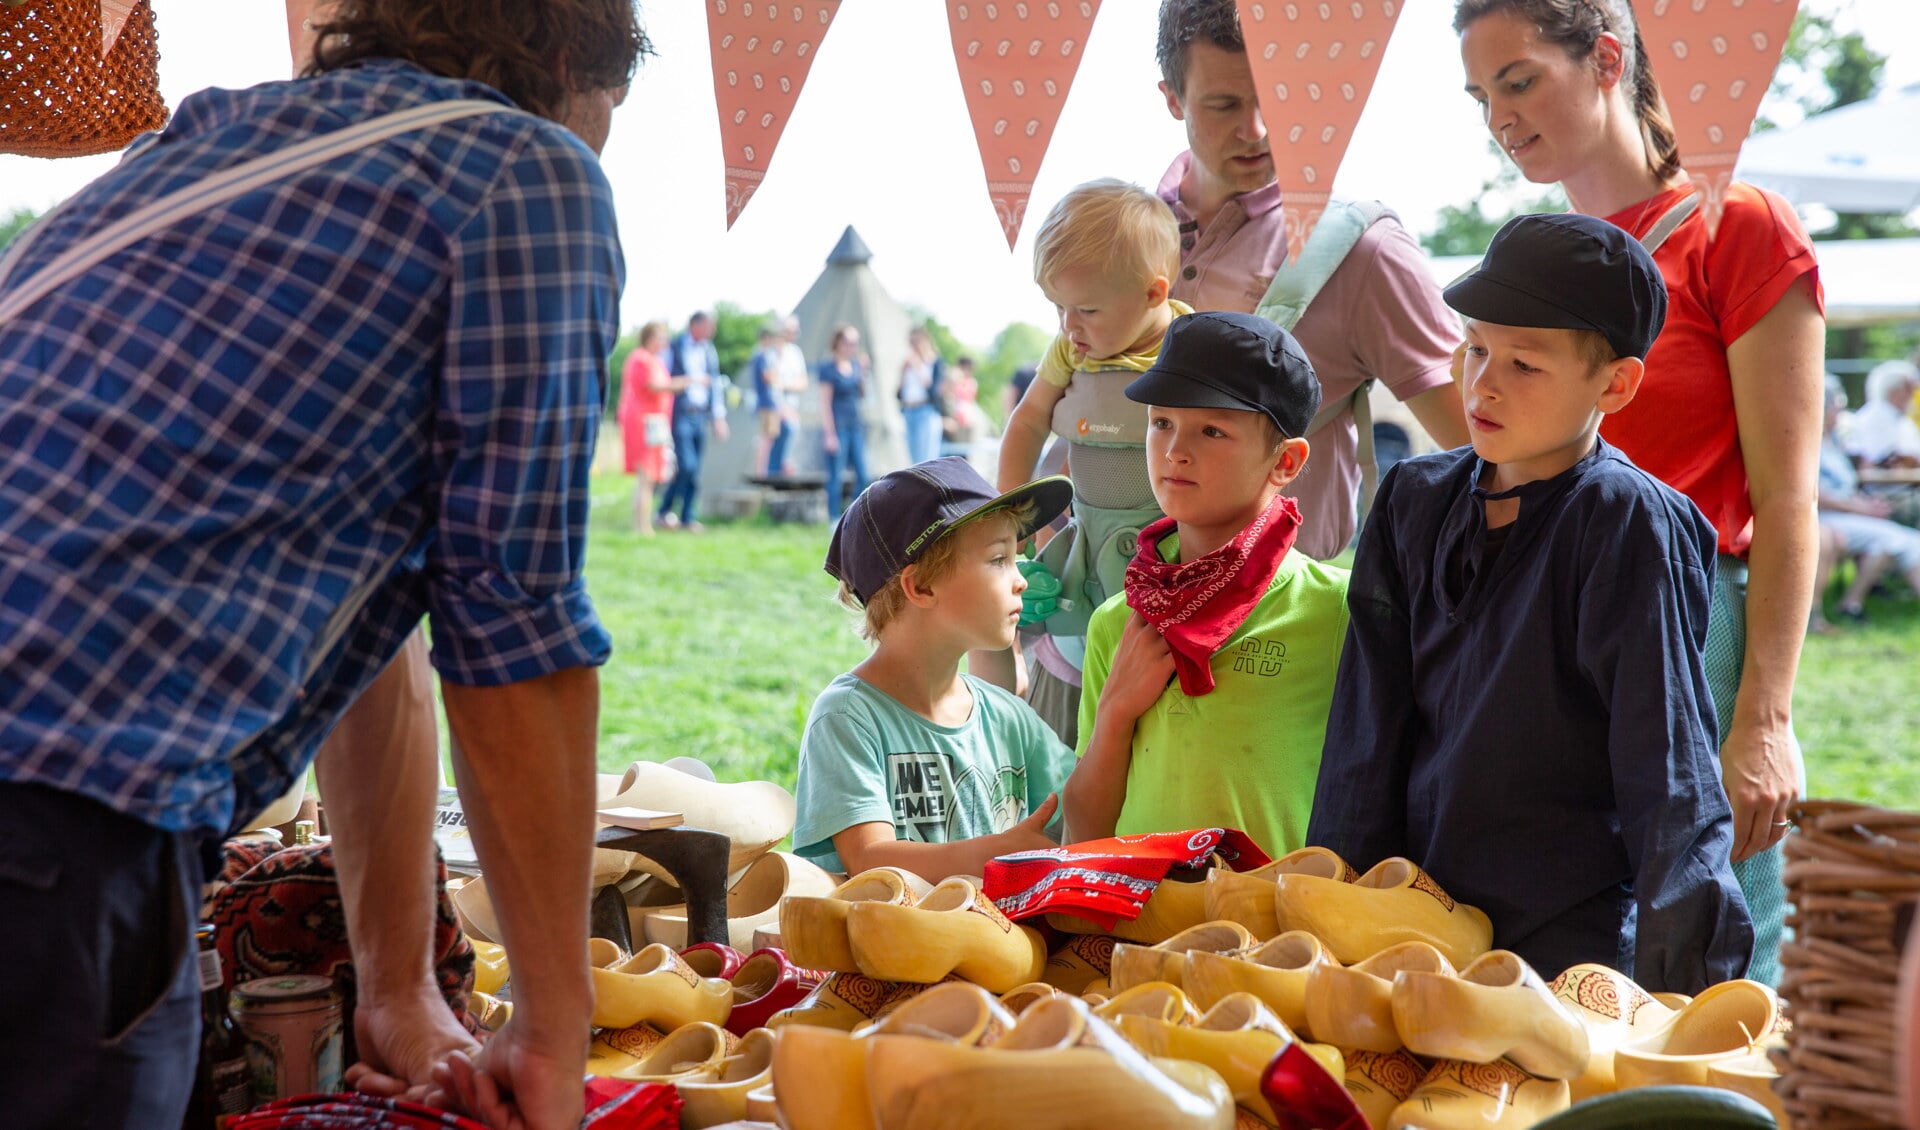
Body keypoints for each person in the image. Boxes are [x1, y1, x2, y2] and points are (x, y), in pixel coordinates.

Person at [0, 0, 646, 1125]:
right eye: (606, 121)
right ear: (563, 62)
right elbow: (513, 632)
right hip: (55, 822)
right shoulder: (522, 170)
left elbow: (374, 636)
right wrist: (550, 1025)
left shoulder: (202, 149)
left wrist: (397, 988)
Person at [1457, 0, 1825, 986]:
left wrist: (1765, 717)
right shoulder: (1532, 260)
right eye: (1480, 94)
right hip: (1543, 631)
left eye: (1519, 78)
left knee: (1712, 961)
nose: (1499, 115)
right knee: (1564, 956)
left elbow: (1789, 502)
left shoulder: (1733, 224)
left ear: (1608, 57)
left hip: (1691, 621)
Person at [1308, 214, 1752, 993]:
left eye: (1524, 363)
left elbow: (1668, 769)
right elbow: (1364, 735)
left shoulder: (1629, 521)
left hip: (1564, 940)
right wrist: (1339, 910)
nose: (1482, 382)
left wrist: (1685, 996)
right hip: (1411, 918)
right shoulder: (1412, 499)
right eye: (1476, 348)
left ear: (1615, 383)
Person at [1153, 0, 1471, 562]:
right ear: (1171, 99)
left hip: (1284, 633)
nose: (1255, 130)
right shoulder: (1119, 235)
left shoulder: (1363, 250)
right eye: (1223, 104)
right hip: (1100, 622)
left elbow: (1487, 445)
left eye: (1278, 99)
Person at [1064, 311, 1350, 859]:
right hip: (1143, 932)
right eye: (1161, 422)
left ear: (1285, 460)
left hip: (1273, 935)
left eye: (1212, 430)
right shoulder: (1119, 622)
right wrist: (1117, 712)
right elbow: (1086, 833)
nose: (1175, 451)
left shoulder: (1337, 613)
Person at [793, 458, 1076, 881]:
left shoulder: (1009, 719)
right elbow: (869, 860)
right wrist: (1000, 854)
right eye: (999, 559)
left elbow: (1085, 809)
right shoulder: (849, 718)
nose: (1021, 580)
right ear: (921, 587)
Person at [990, 178, 1194, 745]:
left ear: (1155, 294)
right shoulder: (1070, 350)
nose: (1068, 327)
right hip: (1085, 545)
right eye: (1058, 308)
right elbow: (1028, 421)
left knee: (1154, 690)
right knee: (1069, 662)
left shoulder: (1193, 349)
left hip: (1169, 554)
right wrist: (1011, 516)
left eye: (1086, 309)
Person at [1817, 376, 1920, 623]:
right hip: (1829, 518)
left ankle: (1852, 602)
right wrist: (1859, 507)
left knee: (1899, 539)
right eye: (1836, 408)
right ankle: (1850, 603)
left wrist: (1864, 504)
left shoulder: (1832, 441)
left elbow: (1845, 483)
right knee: (1900, 539)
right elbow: (1815, 493)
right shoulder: (1811, 444)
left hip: (1847, 513)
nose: (1840, 414)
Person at [657, 310, 729, 531]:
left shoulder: (709, 350)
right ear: (695, 325)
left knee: (694, 468)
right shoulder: (674, 346)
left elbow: (715, 385)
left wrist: (718, 417)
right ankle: (665, 510)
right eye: (709, 326)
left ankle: (685, 516)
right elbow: (663, 379)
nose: (713, 331)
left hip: (701, 415)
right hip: (680, 412)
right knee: (686, 465)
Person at [1844, 360, 1920, 528]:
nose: (1913, 393)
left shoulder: (1901, 420)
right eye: (1909, 388)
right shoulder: (1875, 418)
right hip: (1885, 495)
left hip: (1905, 490)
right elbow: (1879, 462)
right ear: (1895, 390)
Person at [619, 320, 678, 534]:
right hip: (643, 423)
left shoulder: (655, 360)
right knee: (646, 475)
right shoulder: (640, 358)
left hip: (656, 422)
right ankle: (641, 527)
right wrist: (685, 383)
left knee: (651, 477)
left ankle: (644, 525)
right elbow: (653, 386)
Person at [819, 324, 872, 520]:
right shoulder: (828, 367)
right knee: (836, 475)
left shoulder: (856, 366)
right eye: (849, 342)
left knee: (863, 474)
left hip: (856, 425)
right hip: (838, 426)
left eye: (855, 343)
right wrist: (829, 434)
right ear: (839, 343)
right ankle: (833, 517)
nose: (852, 347)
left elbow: (863, 394)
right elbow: (824, 402)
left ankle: (855, 516)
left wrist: (864, 373)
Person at [750, 323, 795, 477]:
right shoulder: (762, 356)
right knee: (766, 438)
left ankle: (764, 470)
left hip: (770, 403)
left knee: (770, 437)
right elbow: (769, 378)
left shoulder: (764, 355)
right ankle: (761, 472)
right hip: (767, 403)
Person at [899, 325, 947, 465]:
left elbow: (934, 390)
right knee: (913, 461)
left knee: (926, 458)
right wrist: (903, 372)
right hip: (909, 411)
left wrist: (919, 367)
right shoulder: (908, 364)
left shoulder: (934, 363)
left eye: (916, 342)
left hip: (926, 411)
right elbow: (900, 393)